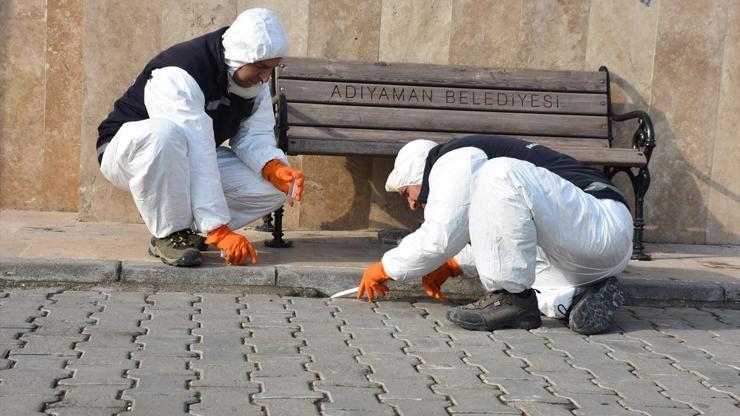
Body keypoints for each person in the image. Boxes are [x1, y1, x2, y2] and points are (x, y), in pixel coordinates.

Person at [357, 135, 633, 335]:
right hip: (587, 248)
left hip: (602, 223)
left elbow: (441, 235)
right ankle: (573, 297)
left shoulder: (454, 157)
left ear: (419, 172)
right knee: (520, 260)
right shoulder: (467, 163)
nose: (412, 205)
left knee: (500, 173)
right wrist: (454, 264)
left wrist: (387, 266)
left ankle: (511, 300)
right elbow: (503, 234)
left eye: (407, 192)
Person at [96, 9, 304, 267]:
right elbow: (196, 147)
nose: (265, 77)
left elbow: (254, 135)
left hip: (184, 153)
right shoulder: (181, 74)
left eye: (270, 68)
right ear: (239, 57)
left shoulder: (254, 82)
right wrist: (219, 229)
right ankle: (169, 234)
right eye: (261, 68)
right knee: (164, 134)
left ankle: (191, 230)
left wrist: (272, 166)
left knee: (274, 187)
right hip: (128, 150)